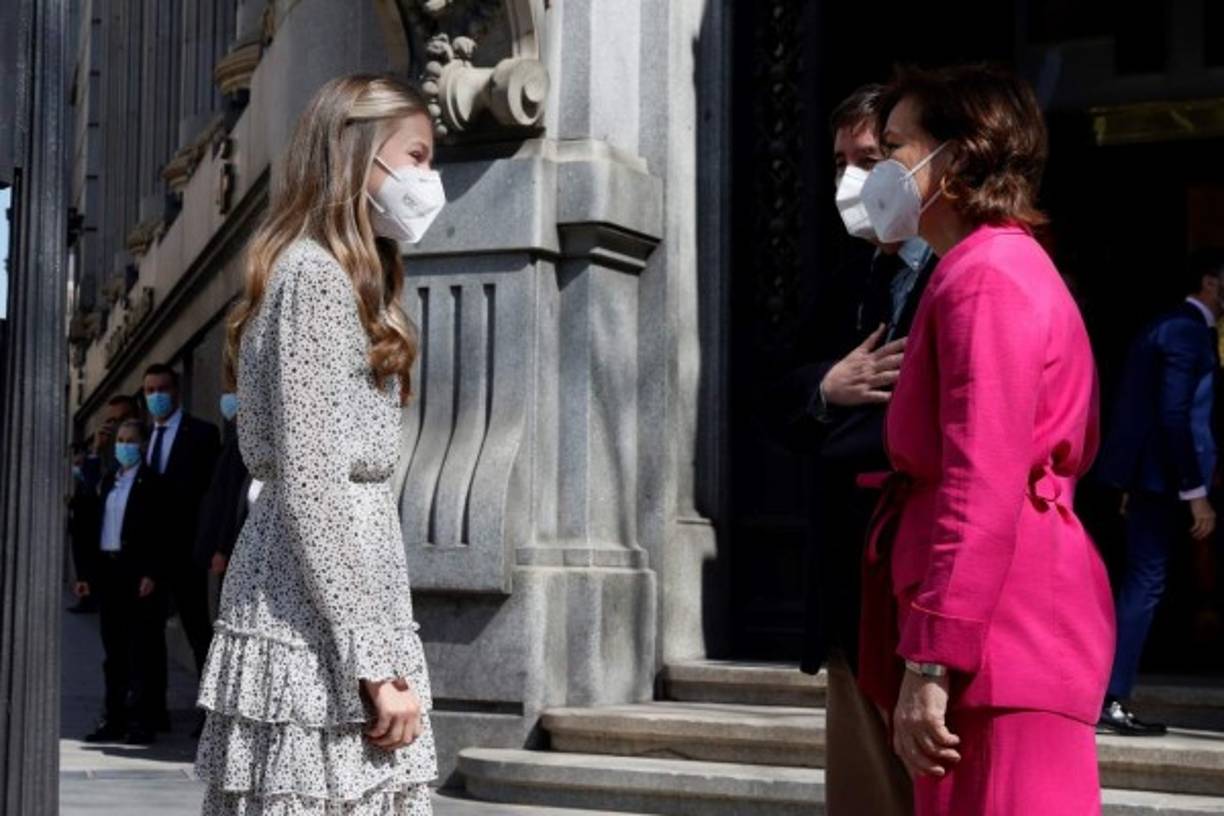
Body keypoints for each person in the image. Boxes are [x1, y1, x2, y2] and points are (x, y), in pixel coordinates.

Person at [856, 64, 1114, 815]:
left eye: (896, 147)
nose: (877, 170)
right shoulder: (984, 267)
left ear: (958, 156)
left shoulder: (986, 277)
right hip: (1008, 628)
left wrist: (932, 659)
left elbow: (980, 480)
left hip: (1001, 637)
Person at [194, 74, 442, 815]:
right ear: (356, 155)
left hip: (340, 598)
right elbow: (310, 481)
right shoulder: (313, 277)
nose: (430, 180)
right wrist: (371, 661)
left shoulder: (350, 280)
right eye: (418, 156)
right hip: (311, 615)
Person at [777, 83, 937, 816]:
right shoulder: (853, 272)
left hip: (920, 576)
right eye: (841, 160)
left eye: (869, 158)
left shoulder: (962, 270)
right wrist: (827, 387)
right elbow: (775, 393)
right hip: (847, 580)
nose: (851, 179)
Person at [1094, 249, 1224, 735]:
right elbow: (1174, 415)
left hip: (1147, 478)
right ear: (1211, 282)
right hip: (1165, 480)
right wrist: (1196, 492)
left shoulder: (1166, 326)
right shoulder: (1185, 332)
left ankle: (1110, 693)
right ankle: (1112, 696)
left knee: (1142, 583)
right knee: (1144, 586)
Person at [74, 419, 169, 745]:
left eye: (131, 440)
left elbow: (161, 532)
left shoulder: (151, 483)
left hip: (137, 575)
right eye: (121, 440)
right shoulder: (107, 483)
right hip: (109, 573)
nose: (124, 446)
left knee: (138, 653)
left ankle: (141, 721)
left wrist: (151, 572)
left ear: (142, 445)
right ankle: (112, 719)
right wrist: (85, 576)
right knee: (113, 654)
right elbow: (90, 531)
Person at [142, 362, 220, 695]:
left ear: (177, 391)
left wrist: (209, 545)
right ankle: (151, 711)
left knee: (197, 630)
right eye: (150, 391)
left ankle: (207, 711)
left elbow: (211, 495)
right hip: (148, 556)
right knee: (145, 635)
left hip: (186, 551)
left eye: (163, 389)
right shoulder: (142, 439)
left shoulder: (201, 434)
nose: (156, 396)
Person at [192, 389, 252, 587]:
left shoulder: (244, 445)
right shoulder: (235, 442)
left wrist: (222, 548)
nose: (225, 398)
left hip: (235, 550)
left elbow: (232, 500)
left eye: (233, 391)